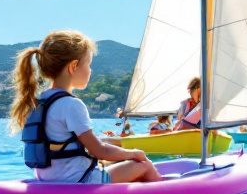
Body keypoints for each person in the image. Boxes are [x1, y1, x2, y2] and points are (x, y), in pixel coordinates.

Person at [10, 30, 162, 184]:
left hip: (48, 179)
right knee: (143, 165)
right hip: (79, 180)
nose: (90, 70)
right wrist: (135, 153)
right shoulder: (71, 104)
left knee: (114, 161)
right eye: (88, 64)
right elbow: (100, 151)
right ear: (73, 66)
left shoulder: (39, 101)